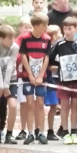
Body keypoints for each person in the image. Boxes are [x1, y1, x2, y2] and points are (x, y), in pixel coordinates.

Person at [19, 14, 51, 145]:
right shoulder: (25, 38)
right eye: (44, 25)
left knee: (40, 103)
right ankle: (30, 132)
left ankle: (41, 132)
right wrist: (30, 75)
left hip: (41, 78)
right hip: (28, 77)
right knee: (30, 103)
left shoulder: (47, 39)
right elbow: (23, 56)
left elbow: (47, 57)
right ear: (37, 26)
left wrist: (41, 75)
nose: (46, 27)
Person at [49, 16, 77, 143]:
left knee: (75, 105)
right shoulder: (59, 44)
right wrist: (58, 67)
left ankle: (74, 131)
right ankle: (65, 132)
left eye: (70, 29)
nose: (67, 31)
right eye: (65, 28)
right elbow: (50, 59)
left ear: (76, 29)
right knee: (64, 106)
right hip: (63, 81)